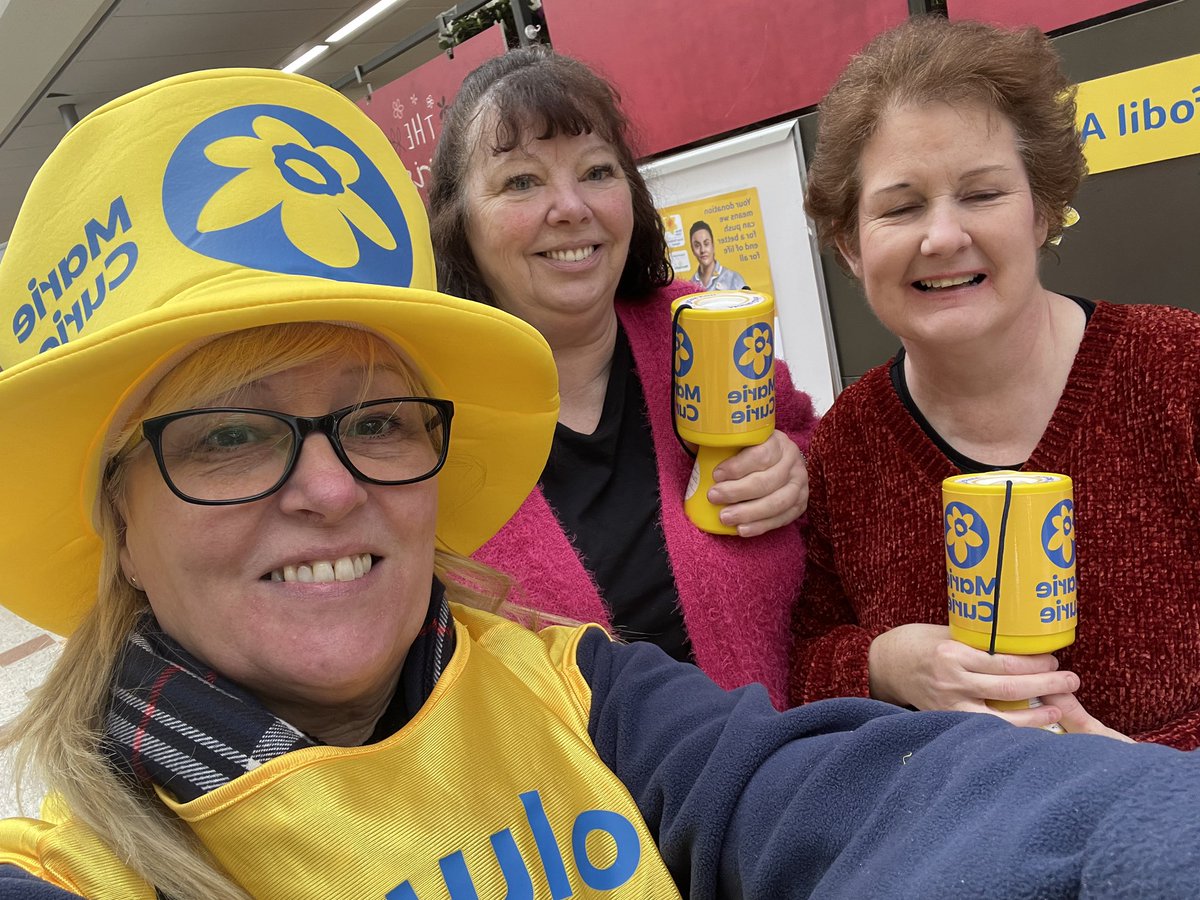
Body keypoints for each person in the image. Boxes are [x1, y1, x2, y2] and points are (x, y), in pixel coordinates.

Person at [6, 64, 1200, 900]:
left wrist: (1147, 820)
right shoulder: (68, 866)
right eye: (228, 437)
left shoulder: (576, 691)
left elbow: (818, 787)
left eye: (375, 420)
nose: (326, 487)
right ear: (113, 502)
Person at [790, 15, 1200, 748]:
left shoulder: (1178, 372)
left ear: (1043, 211)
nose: (942, 236)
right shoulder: (848, 442)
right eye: (901, 205)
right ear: (851, 245)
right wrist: (883, 664)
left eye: (982, 194)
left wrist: (1148, 775)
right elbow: (805, 662)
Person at [428, 48, 814, 706]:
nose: (571, 207)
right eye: (522, 182)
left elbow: (806, 442)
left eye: (597, 171)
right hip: (567, 808)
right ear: (459, 222)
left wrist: (794, 468)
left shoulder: (704, 331)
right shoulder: (425, 416)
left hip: (774, 779)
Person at [688, 220, 749, 291]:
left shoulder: (733, 278)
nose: (702, 250)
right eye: (697, 246)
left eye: (706, 244)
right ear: (692, 249)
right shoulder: (690, 286)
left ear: (713, 244)